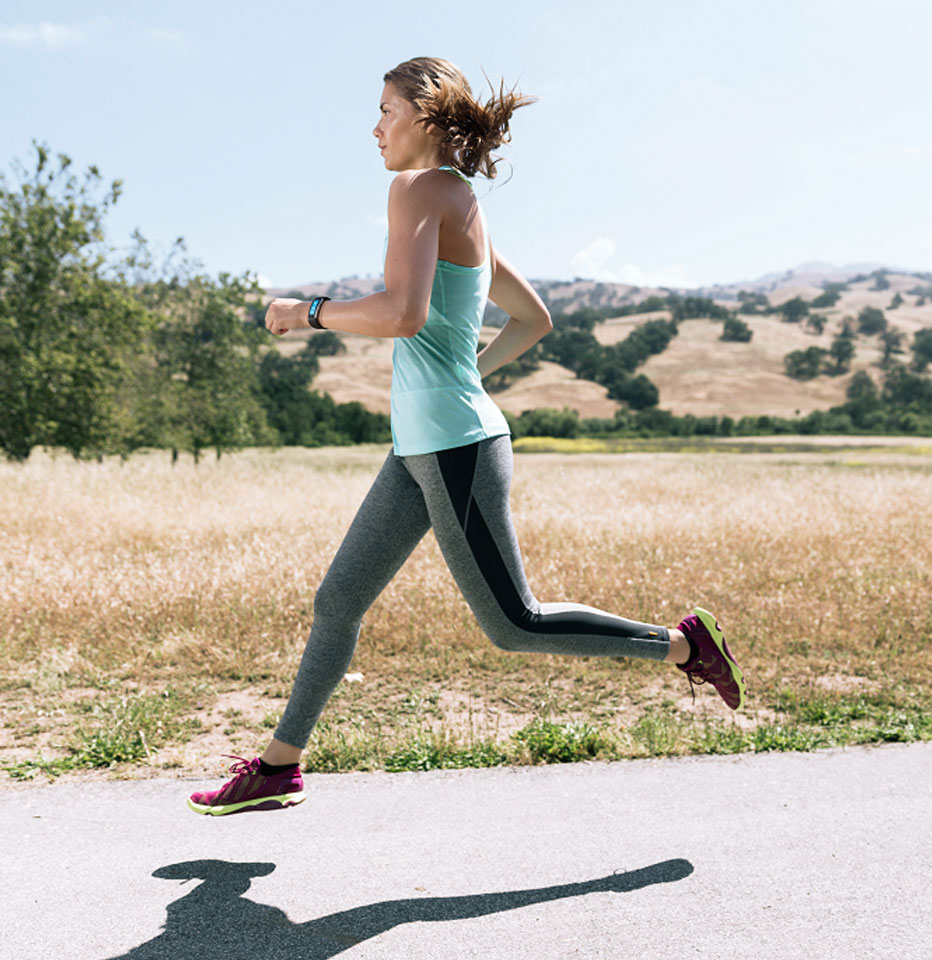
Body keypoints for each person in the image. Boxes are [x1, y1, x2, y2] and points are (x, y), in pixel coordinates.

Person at [187, 57, 745, 817]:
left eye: (385, 110)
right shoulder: (463, 203)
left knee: (515, 624)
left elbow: (402, 312)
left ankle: (685, 645)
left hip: (452, 446)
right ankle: (281, 764)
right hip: (423, 446)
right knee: (339, 597)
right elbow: (534, 319)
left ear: (422, 115)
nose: (375, 127)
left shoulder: (417, 189)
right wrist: (463, 374)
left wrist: (307, 311)